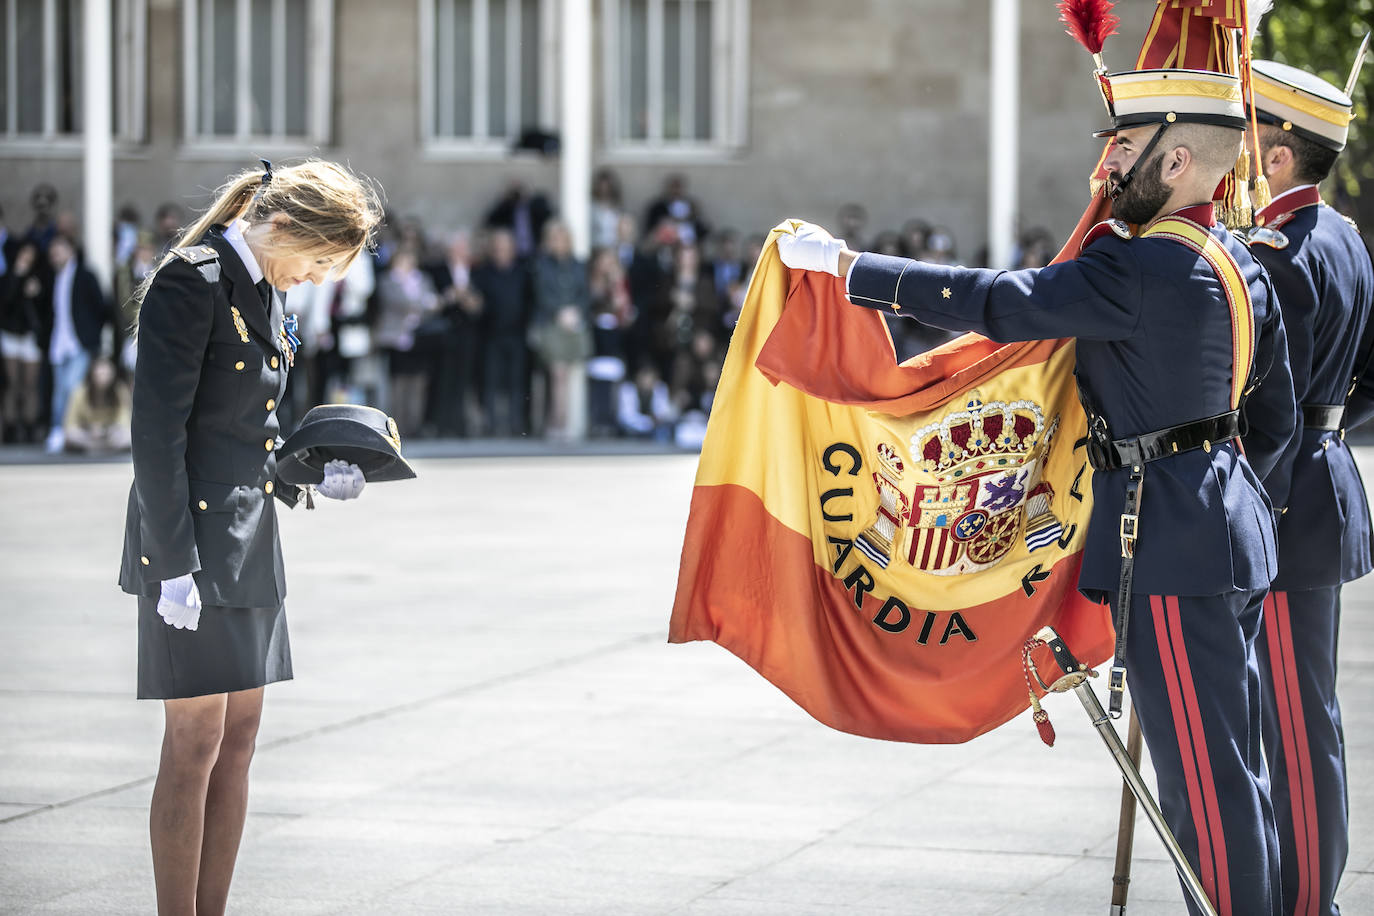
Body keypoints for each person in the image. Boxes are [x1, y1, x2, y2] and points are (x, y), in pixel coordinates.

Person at [778, 67, 1297, 916]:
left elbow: (998, 301)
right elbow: (1269, 418)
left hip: (1168, 537)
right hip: (1228, 528)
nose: (1108, 169)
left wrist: (846, 266)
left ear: (1173, 165)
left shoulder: (1141, 269)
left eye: (1125, 150)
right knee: (1237, 769)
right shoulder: (1239, 263)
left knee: (1205, 782)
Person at [117, 158, 382, 916]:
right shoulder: (193, 279)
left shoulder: (262, 286)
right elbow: (156, 434)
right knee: (194, 745)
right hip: (191, 547)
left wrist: (309, 472)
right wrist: (171, 566)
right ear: (289, 226)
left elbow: (249, 434)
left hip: (250, 539)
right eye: (321, 261)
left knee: (239, 743)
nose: (319, 278)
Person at [1245, 58, 1374, 916]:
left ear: (1282, 153)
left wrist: (1252, 503)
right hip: (1326, 482)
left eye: (1249, 136)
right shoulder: (1346, 236)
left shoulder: (1280, 253)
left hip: (1288, 503)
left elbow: (1269, 411)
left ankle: (1304, 904)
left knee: (1293, 722)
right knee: (1306, 718)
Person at [44, 233, 111, 453]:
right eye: (52, 252)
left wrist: (92, 336)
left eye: (59, 250)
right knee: (59, 391)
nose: (55, 256)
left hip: (79, 343)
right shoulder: (52, 276)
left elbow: (101, 307)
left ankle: (66, 430)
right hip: (59, 343)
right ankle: (59, 431)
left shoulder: (85, 275)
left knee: (72, 388)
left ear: (70, 250)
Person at [531, 220, 592, 441]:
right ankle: (557, 423)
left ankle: (559, 423)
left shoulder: (578, 264)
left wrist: (576, 311)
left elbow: (584, 293)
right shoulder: (542, 265)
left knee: (565, 376)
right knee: (557, 374)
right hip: (551, 324)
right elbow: (541, 294)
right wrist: (559, 312)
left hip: (573, 324)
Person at [473, 228, 532, 436]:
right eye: (497, 248)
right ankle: (492, 426)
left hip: (517, 335)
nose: (500, 252)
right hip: (491, 335)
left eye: (505, 248)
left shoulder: (523, 272)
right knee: (490, 382)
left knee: (517, 382)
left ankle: (517, 425)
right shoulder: (483, 272)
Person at [1, 242, 47, 443]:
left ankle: (29, 427)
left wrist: (36, 293)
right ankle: (11, 427)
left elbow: (44, 309)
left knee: (30, 385)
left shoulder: (38, 278)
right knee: (13, 384)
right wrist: (16, 276)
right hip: (10, 334)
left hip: (29, 336)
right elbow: (5, 301)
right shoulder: (7, 278)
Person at [63, 353, 131, 453]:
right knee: (72, 435)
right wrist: (91, 430)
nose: (103, 376)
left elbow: (124, 421)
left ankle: (97, 448)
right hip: (88, 434)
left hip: (110, 435)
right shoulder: (80, 392)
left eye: (106, 373)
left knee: (127, 437)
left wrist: (107, 430)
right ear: (92, 373)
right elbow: (70, 424)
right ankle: (101, 448)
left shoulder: (119, 391)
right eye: (100, 372)